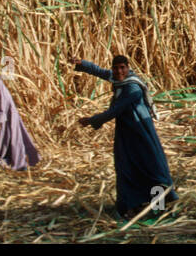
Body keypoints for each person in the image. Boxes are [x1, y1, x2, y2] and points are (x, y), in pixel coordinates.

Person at [72, 54, 178, 217]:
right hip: (126, 132)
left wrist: (91, 120)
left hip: (141, 131)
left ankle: (160, 206)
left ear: (128, 68)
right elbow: (100, 72)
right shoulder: (118, 79)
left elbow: (115, 110)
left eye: (123, 68)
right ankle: (131, 204)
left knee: (152, 166)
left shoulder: (133, 88)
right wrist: (82, 64)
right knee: (126, 167)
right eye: (116, 68)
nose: (119, 71)